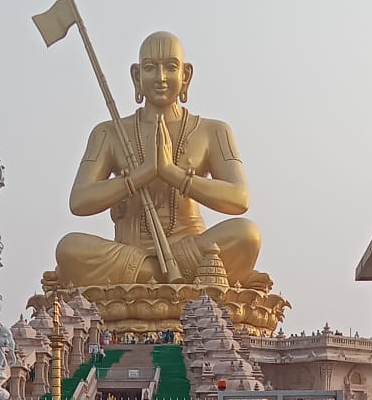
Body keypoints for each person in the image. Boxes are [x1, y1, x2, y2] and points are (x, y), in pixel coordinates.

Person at [54, 32, 268, 288]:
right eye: (150, 68)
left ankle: (150, 275)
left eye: (171, 67)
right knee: (69, 248)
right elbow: (79, 201)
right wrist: (140, 175)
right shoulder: (108, 133)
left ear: (186, 75)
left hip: (192, 249)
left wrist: (170, 172)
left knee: (248, 235)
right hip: (129, 253)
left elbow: (239, 199)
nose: (161, 77)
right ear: (136, 76)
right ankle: (164, 273)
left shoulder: (213, 131)